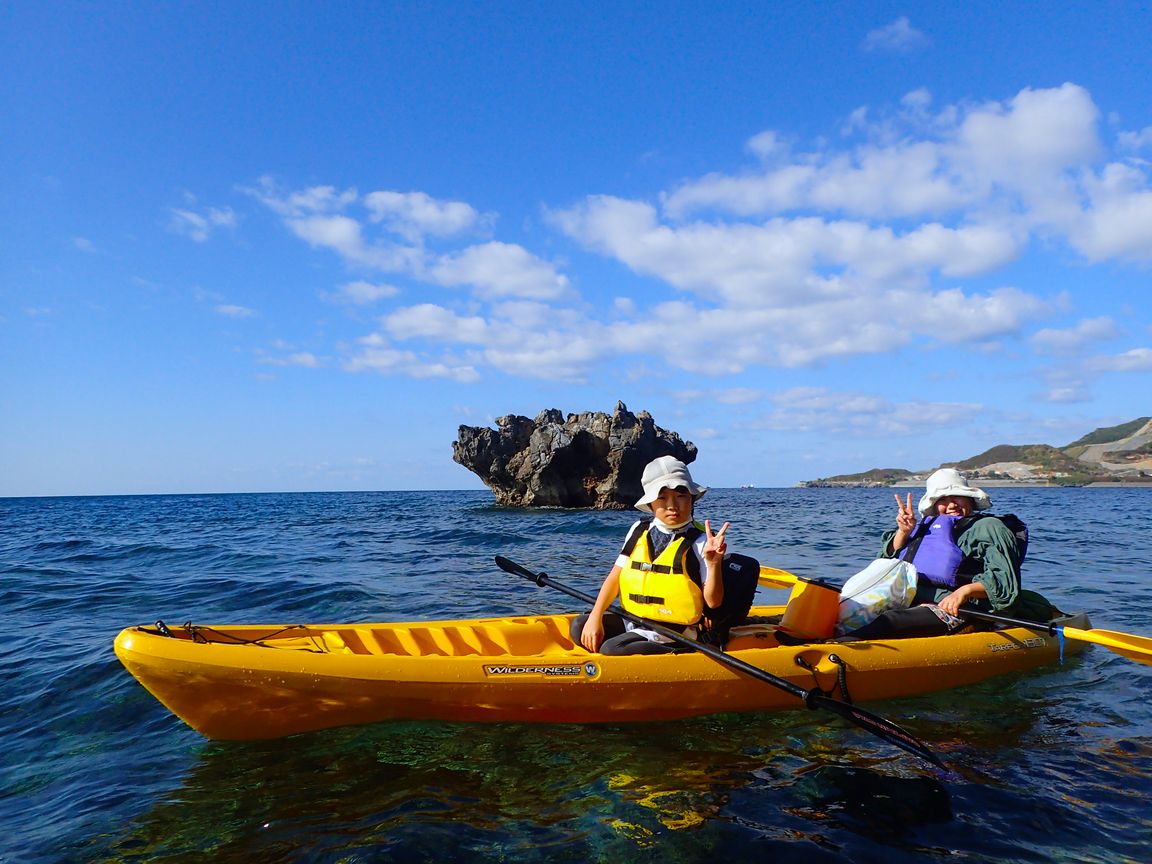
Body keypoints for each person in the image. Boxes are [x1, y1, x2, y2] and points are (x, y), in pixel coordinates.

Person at [839, 467, 1044, 640]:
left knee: (888, 622)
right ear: (934, 505)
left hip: (961, 609)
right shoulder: (921, 527)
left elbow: (1004, 583)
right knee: (842, 607)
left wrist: (964, 592)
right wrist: (904, 532)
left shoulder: (989, 528)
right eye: (943, 499)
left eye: (957, 496)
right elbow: (885, 566)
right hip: (910, 600)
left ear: (970, 499)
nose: (952, 504)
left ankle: (838, 649)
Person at [570, 456, 741, 655]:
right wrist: (595, 616)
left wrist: (714, 564)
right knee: (579, 626)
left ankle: (679, 652)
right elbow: (615, 577)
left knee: (612, 648)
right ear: (651, 503)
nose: (672, 505)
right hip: (635, 620)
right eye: (662, 497)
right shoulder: (639, 529)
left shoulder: (702, 540)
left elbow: (713, 602)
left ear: (692, 498)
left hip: (675, 631)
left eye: (680, 496)